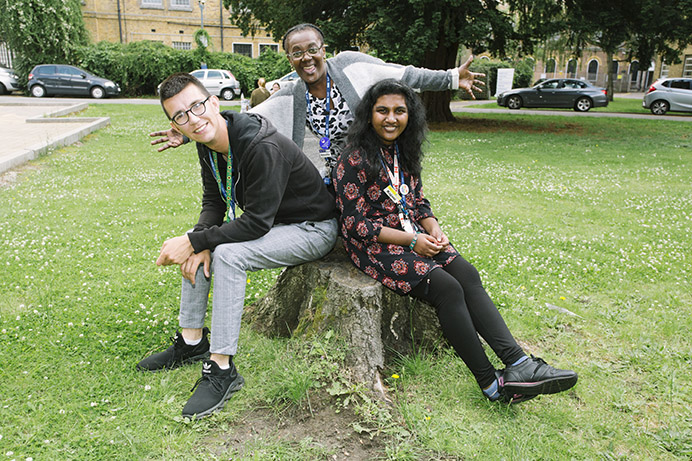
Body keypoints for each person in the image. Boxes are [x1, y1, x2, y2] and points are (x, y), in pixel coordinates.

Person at [332, 79, 578, 403]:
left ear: (410, 115)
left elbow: (418, 201)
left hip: (414, 235)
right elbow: (353, 224)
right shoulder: (353, 159)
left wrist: (432, 229)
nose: (391, 118)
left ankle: (520, 364)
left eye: (399, 111)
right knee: (446, 288)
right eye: (382, 111)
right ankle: (491, 384)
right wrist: (411, 241)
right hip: (375, 244)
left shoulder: (403, 151)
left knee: (466, 274)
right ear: (368, 115)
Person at [137, 72, 338, 419]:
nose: (192, 119)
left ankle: (221, 369)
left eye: (197, 106)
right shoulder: (207, 142)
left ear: (214, 102)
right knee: (201, 242)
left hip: (312, 228)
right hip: (276, 223)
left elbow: (257, 221)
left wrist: (197, 240)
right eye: (180, 116)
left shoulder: (260, 144)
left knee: (227, 253)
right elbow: (213, 200)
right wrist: (198, 239)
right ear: (175, 124)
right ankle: (191, 342)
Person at [150, 23, 485, 181]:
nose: (306, 57)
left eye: (312, 49)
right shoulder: (291, 95)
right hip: (324, 182)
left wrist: (453, 77)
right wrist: (193, 125)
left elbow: (405, 75)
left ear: (324, 49)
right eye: (297, 53)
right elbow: (250, 117)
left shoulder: (353, 66)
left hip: (370, 171)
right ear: (289, 58)